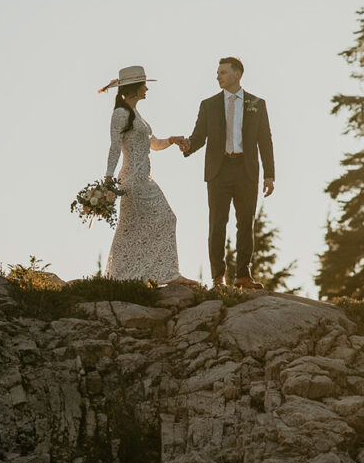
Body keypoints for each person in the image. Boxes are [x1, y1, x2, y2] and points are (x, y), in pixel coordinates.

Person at [181, 57, 275, 289]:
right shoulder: (209, 105)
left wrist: (269, 175)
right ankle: (218, 278)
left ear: (237, 74)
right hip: (218, 170)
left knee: (246, 224)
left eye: (223, 72)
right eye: (218, 72)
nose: (218, 76)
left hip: (246, 170)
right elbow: (198, 137)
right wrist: (188, 146)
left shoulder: (257, 104)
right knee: (217, 224)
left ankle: (243, 276)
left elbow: (266, 140)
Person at [99, 65, 195, 286]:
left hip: (143, 177)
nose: (146, 89)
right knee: (164, 218)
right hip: (133, 179)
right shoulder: (120, 114)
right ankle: (167, 274)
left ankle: (131, 277)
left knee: (133, 227)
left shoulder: (136, 115)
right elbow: (114, 147)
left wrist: (171, 140)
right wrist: (107, 178)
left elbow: (152, 144)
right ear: (134, 87)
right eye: (144, 85)